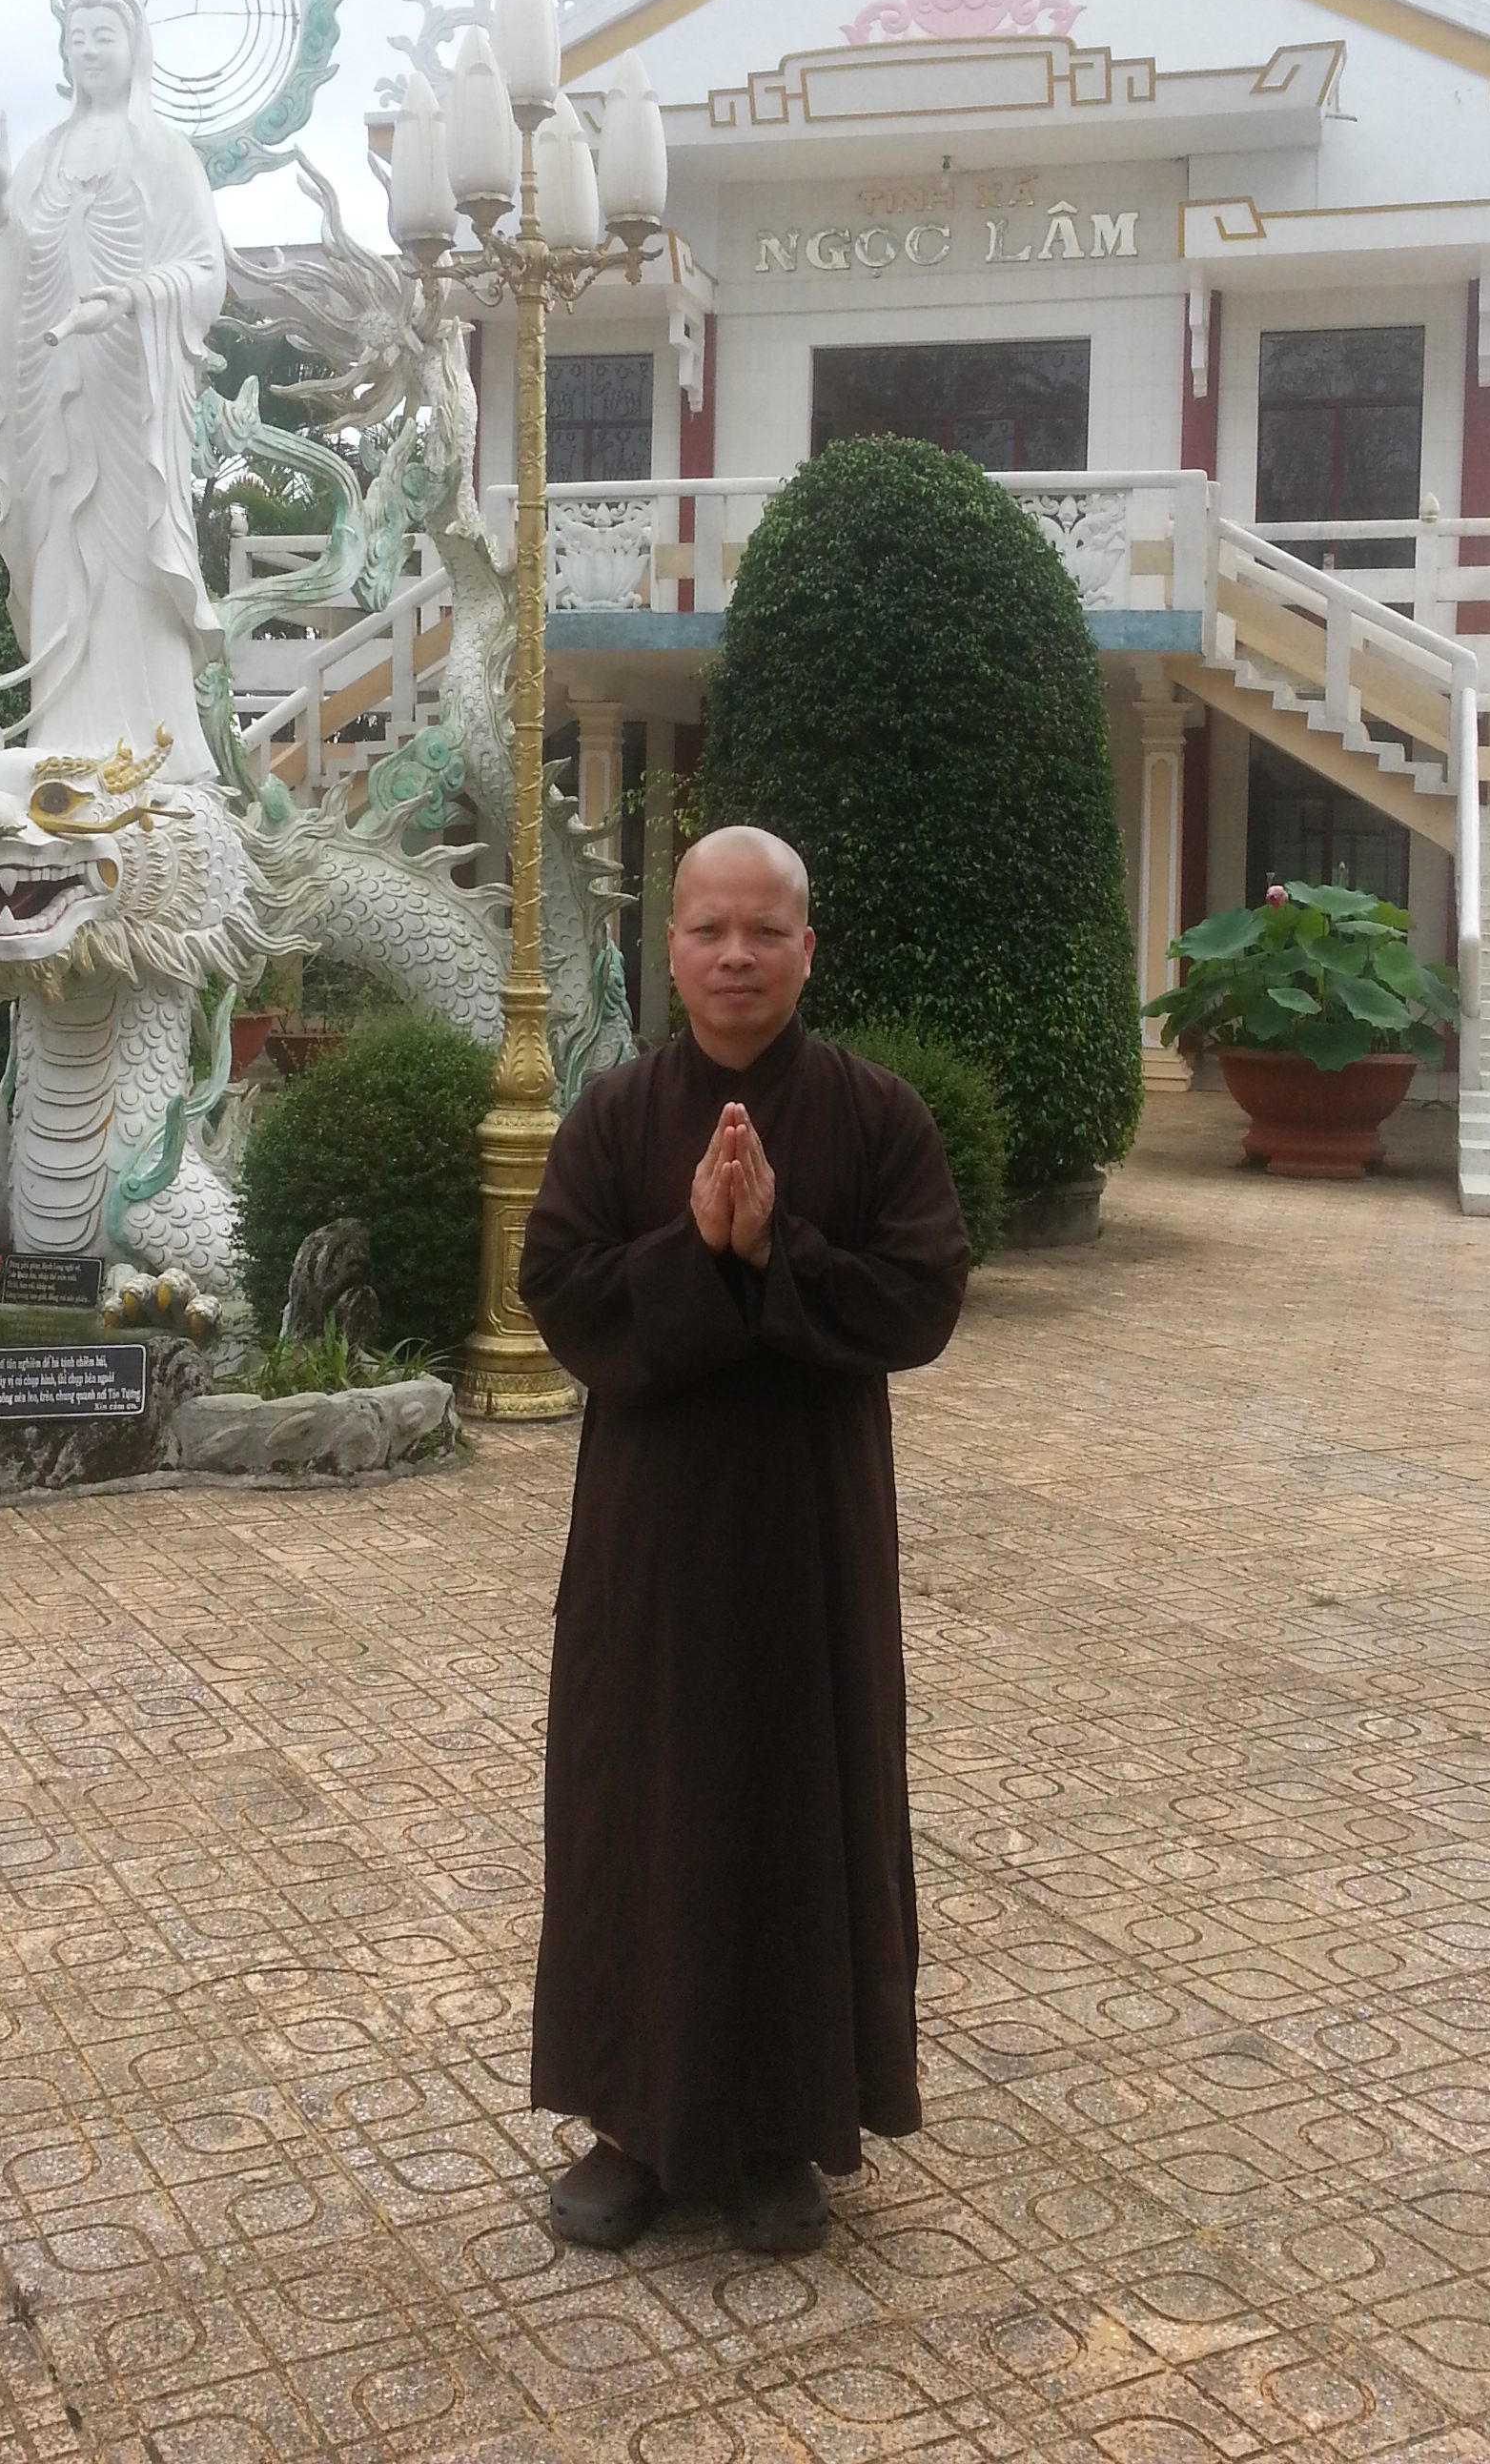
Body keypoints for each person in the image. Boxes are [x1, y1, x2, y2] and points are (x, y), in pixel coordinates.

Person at [518, 825, 970, 2255]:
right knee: (640, 1809)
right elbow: (557, 1290)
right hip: (650, 1545)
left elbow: (923, 1300)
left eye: (763, 932)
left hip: (808, 1542)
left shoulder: (876, 1116)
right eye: (708, 929)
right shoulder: (613, 1117)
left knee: (797, 1809)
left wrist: (778, 1251)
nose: (734, 956)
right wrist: (694, 1254)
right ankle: (634, 2128)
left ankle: (785, 2132)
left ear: (805, 950)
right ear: (669, 948)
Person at [0, 0, 225, 784]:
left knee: (131, 557)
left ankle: (158, 748)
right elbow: (20, 271)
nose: (88, 49)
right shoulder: (43, 157)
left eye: (103, 33)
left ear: (135, 42)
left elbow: (206, 271)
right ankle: (63, 738)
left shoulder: (164, 153)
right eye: (76, 35)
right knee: (60, 550)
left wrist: (130, 298)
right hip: (56, 397)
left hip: (131, 399)